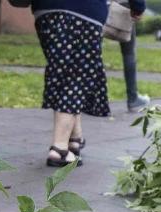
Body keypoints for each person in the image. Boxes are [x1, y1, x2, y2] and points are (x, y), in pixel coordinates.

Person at [31, 0, 145, 167]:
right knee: (75, 77)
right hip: (84, 11)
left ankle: (74, 139)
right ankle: (59, 149)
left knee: (65, 71)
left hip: (44, 10)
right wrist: (138, 6)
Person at [117, 8, 150, 113]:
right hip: (124, 8)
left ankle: (88, 97)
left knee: (93, 50)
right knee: (128, 53)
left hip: (98, 6)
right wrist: (139, 7)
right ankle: (132, 98)